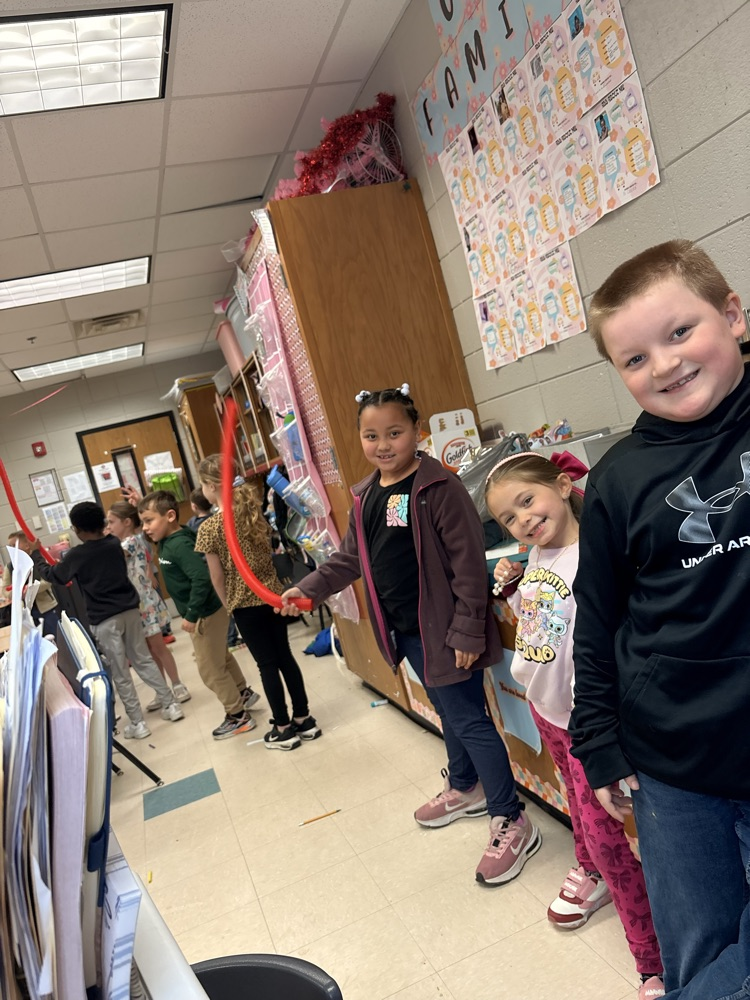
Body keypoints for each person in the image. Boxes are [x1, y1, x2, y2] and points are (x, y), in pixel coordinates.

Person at [568, 239, 750, 997]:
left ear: (734, 315)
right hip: (674, 763)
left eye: (680, 333)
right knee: (701, 953)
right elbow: (598, 618)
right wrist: (598, 743)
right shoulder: (618, 479)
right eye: (634, 359)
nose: (666, 365)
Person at [279, 384, 540, 885]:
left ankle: (511, 817)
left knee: (468, 718)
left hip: (444, 630)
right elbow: (352, 557)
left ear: (416, 433)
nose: (383, 444)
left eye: (394, 432)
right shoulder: (369, 495)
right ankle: (467, 786)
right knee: (450, 712)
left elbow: (467, 568)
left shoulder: (438, 488)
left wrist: (466, 631)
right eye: (371, 434)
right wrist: (310, 590)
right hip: (407, 630)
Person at [487, 452, 663, 1000]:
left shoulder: (598, 553)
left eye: (528, 501)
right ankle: (588, 869)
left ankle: (653, 960)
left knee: (609, 836)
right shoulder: (537, 554)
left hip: (590, 723)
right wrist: (514, 588)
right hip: (548, 713)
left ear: (563, 486)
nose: (523, 520)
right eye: (509, 518)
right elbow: (552, 624)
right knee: (580, 814)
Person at [194, 454, 319, 750]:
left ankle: (283, 728)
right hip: (274, 597)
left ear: (212, 486)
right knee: (284, 657)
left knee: (266, 664)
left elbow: (217, 578)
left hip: (244, 604)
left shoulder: (209, 528)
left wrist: (229, 606)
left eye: (202, 484)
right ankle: (304, 719)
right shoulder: (252, 512)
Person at [30, 501, 184, 739]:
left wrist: (36, 554)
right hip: (130, 611)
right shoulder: (114, 544)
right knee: (143, 659)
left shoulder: (77, 554)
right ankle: (170, 705)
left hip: (104, 619)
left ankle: (138, 723)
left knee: (121, 671)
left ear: (77, 530)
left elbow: (56, 576)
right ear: (102, 523)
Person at [136, 490, 261, 740]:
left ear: (170, 516)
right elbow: (153, 528)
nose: (145, 528)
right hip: (210, 609)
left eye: (149, 521)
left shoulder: (179, 544)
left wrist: (191, 615)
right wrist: (142, 506)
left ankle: (237, 715)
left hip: (204, 612)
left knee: (209, 669)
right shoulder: (171, 538)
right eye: (142, 522)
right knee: (220, 657)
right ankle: (242, 693)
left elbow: (201, 577)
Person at [106, 501, 191, 707]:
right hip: (135, 605)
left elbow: (114, 558)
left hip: (145, 604)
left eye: (111, 522)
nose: (108, 527)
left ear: (127, 522)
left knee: (158, 647)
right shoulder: (127, 542)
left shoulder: (131, 542)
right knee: (149, 652)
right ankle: (162, 690)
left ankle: (177, 684)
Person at [188, 487, 243, 652]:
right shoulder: (215, 521)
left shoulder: (192, 525)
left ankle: (225, 639)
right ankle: (232, 637)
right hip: (221, 568)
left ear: (194, 506)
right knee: (226, 604)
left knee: (220, 607)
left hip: (205, 570)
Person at [3, 531, 59, 635]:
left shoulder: (39, 560)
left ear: (27, 545)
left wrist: (30, 589)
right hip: (25, 613)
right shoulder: (9, 567)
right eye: (10, 546)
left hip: (46, 609)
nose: (11, 549)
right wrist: (17, 592)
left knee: (55, 637)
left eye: (14, 545)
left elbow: (47, 581)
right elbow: (4, 590)